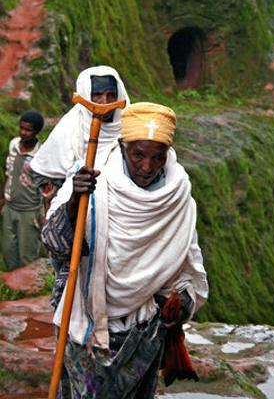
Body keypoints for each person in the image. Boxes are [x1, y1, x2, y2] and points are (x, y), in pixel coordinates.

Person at [42, 102, 208, 398]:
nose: (147, 167)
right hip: (86, 322)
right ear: (122, 146)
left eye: (158, 157)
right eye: (138, 155)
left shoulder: (178, 191)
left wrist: (182, 299)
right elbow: (56, 246)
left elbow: (186, 259)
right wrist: (72, 205)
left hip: (144, 330)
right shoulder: (91, 180)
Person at [30, 65, 130, 205]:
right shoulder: (69, 128)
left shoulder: (130, 128)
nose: (104, 102)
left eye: (111, 95)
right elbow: (43, 173)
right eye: (97, 95)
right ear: (86, 95)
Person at [2, 111, 44, 271]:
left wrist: (45, 213)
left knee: (28, 256)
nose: (23, 133)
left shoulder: (40, 154)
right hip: (10, 207)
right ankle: (13, 288)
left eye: (28, 130)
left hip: (29, 211)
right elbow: (9, 172)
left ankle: (30, 289)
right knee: (8, 251)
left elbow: (46, 185)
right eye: (21, 128)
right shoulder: (13, 145)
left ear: (36, 132)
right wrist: (2, 200)